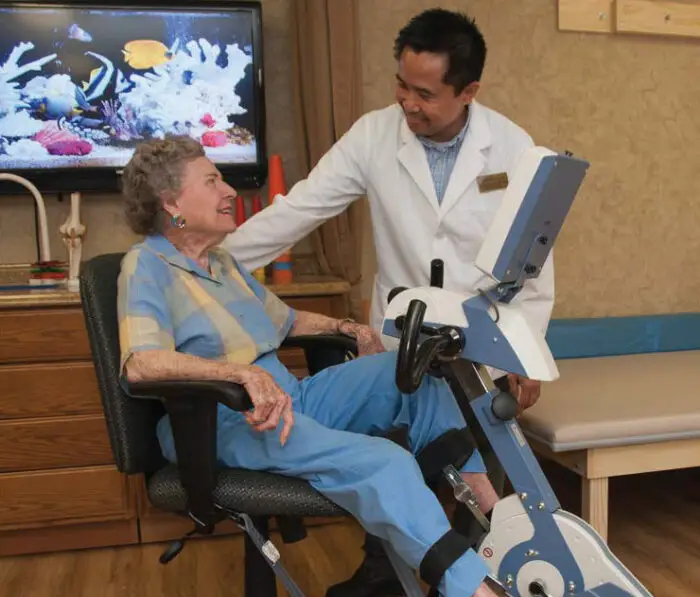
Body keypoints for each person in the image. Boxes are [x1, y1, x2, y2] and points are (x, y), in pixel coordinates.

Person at [222, 8, 554, 596]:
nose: (408, 102)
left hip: (483, 351)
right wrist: (206, 265)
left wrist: (524, 356)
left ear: (468, 91)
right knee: (402, 472)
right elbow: (298, 211)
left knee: (477, 486)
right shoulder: (374, 135)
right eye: (401, 84)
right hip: (405, 345)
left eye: (425, 93)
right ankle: (387, 581)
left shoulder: (511, 147)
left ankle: (483, 576)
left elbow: (532, 270)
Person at [116, 135, 504, 597]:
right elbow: (140, 363)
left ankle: (496, 518)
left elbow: (287, 321)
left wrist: (352, 329)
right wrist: (239, 373)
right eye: (212, 181)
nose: (229, 192)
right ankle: (472, 590)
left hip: (288, 400)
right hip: (224, 419)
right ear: (172, 203)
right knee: (385, 462)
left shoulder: (221, 262)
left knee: (412, 375)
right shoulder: (146, 266)